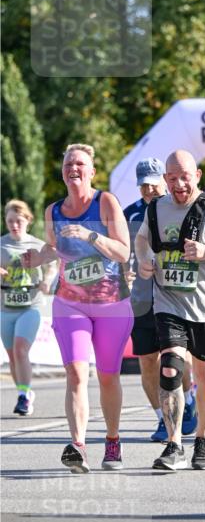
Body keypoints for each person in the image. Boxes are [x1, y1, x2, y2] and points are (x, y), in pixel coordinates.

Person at [135, 150, 205, 471]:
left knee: (204, 373)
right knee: (169, 367)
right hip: (168, 303)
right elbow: (142, 239)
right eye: (172, 179)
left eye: (184, 177)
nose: (179, 184)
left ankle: (204, 437)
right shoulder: (156, 208)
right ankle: (174, 444)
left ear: (197, 175)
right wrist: (144, 259)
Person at [22, 144, 132, 473]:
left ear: (91, 171)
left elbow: (124, 252)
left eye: (80, 163)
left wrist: (91, 235)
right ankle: (78, 445)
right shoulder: (53, 211)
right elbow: (53, 248)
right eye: (68, 163)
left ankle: (112, 441)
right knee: (75, 373)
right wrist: (37, 257)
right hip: (70, 303)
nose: (74, 168)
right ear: (63, 171)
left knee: (108, 376)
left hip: (111, 304)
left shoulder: (106, 202)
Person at [123, 158, 197, 442]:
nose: (149, 190)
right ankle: (161, 418)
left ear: (163, 181)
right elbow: (121, 252)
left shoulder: (179, 208)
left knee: (178, 357)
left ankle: (188, 403)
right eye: (144, 185)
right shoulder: (129, 214)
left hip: (175, 295)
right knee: (147, 362)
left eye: (153, 184)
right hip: (141, 298)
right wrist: (121, 275)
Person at [1, 200, 56, 415]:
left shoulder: (36, 243)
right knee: (12, 356)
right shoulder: (1, 244)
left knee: (21, 349)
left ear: (28, 221)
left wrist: (47, 280)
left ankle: (23, 397)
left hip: (30, 306)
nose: (14, 225)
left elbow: (52, 264)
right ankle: (25, 391)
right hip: (5, 308)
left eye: (19, 221)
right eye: (10, 221)